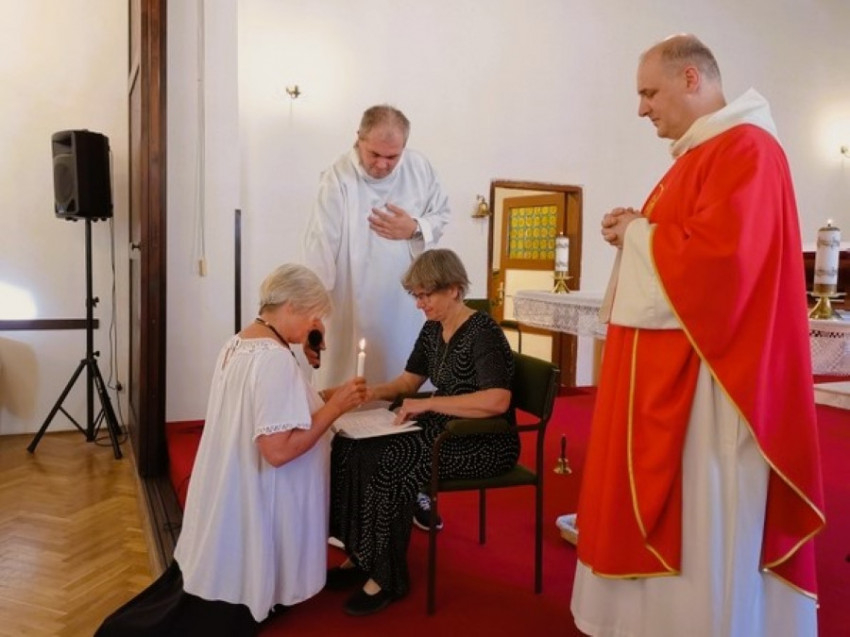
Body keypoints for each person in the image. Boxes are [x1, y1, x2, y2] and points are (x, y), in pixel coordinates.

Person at [570, 34, 825, 637]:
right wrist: (638, 227)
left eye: (649, 93)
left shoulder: (748, 148)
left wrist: (638, 234)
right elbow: (688, 242)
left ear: (691, 79)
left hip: (714, 385)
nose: (641, 109)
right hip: (678, 371)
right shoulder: (702, 153)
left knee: (704, 512)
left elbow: (723, 266)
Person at [95, 264, 367, 636]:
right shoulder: (273, 358)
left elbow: (269, 410)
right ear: (290, 306)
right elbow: (277, 451)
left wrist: (319, 393)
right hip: (259, 487)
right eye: (313, 316)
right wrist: (335, 408)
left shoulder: (241, 341)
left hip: (234, 480)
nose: (314, 326)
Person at [325, 248, 518, 616]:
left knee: (390, 462)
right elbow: (408, 382)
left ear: (455, 289)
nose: (419, 304)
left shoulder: (483, 332)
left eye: (426, 295)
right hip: (446, 428)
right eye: (416, 295)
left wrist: (429, 404)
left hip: (484, 440)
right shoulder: (433, 328)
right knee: (350, 447)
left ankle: (387, 577)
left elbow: (497, 401)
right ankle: (362, 553)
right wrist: (369, 393)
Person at [300, 103, 452, 530]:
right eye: (375, 155)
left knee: (411, 399)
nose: (383, 165)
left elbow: (441, 214)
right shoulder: (337, 179)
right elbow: (319, 250)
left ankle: (414, 490)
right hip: (352, 311)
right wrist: (313, 318)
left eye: (392, 156)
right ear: (359, 139)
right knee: (350, 399)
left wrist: (415, 226)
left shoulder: (420, 169)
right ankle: (343, 500)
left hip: (407, 311)